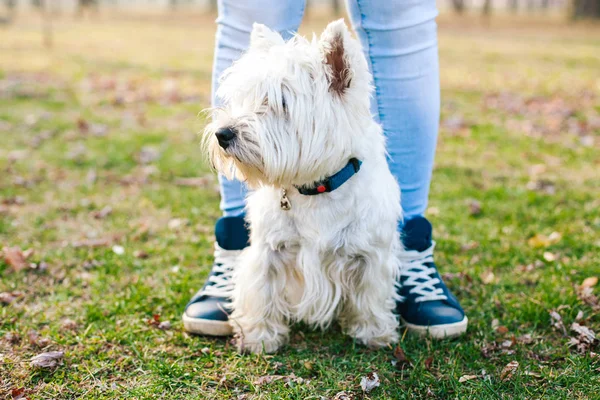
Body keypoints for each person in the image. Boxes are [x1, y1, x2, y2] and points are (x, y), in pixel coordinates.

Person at [182, 0, 468, 339]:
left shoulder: (367, 172)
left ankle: (405, 262)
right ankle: (237, 259)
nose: (228, 127)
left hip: (355, 192)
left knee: (398, 13)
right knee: (254, 7)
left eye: (277, 109)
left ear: (340, 87)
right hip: (288, 201)